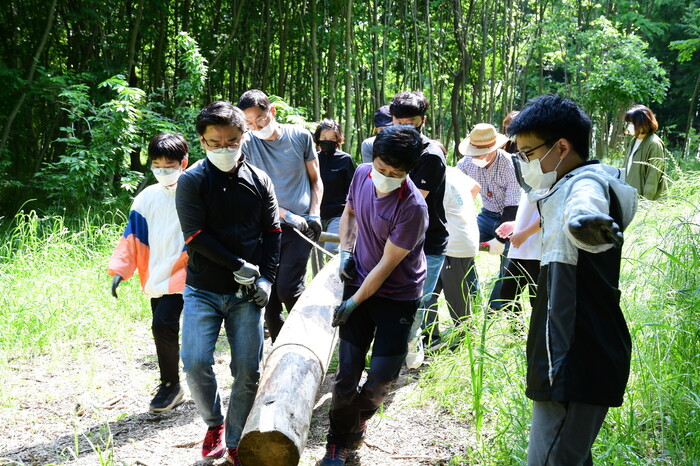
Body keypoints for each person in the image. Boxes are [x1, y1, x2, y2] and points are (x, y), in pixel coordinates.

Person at [508, 94, 638, 465]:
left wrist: (585, 221)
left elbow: (584, 205)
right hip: (572, 349)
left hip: (573, 355)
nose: (525, 163)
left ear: (561, 147)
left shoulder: (585, 184)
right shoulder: (561, 186)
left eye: (529, 154)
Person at [175, 101, 281, 465]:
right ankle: (214, 423)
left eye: (231, 140)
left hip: (246, 295)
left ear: (243, 137)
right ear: (202, 142)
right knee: (194, 362)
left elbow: (272, 232)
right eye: (214, 142)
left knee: (248, 369)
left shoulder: (259, 180)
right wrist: (239, 264)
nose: (224, 147)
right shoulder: (192, 181)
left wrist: (266, 277)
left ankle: (235, 439)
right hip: (203, 288)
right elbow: (196, 235)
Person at [321, 125, 428, 465]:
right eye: (382, 167)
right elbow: (349, 213)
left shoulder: (412, 208)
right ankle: (338, 443)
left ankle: (355, 423)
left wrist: (352, 303)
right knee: (345, 377)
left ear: (408, 172)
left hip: (397, 294)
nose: (384, 176)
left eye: (395, 173)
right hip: (358, 280)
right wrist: (346, 252)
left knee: (382, 380)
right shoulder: (362, 174)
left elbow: (385, 266)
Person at [108, 133, 189, 413]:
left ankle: (172, 384)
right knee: (164, 327)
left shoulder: (196, 190)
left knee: (164, 324)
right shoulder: (145, 198)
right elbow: (132, 237)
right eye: (156, 165)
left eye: (169, 165)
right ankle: (172, 384)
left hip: (189, 274)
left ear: (183, 163)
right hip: (157, 276)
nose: (162, 171)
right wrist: (120, 270)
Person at [238, 89, 323, 342]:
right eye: (250, 123)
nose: (257, 126)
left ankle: (308, 337)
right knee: (269, 295)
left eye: (261, 119)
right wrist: (287, 215)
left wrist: (314, 215)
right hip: (265, 226)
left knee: (288, 287)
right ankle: (280, 346)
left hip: (300, 228)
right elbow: (255, 194)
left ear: (272, 111)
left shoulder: (300, 137)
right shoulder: (247, 144)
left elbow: (315, 179)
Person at [386, 91, 447, 367]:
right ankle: (393, 355)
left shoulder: (430, 154)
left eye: (410, 122)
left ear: (422, 121)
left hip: (427, 242)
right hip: (392, 237)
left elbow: (410, 203)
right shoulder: (389, 147)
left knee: (416, 304)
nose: (403, 127)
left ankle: (409, 355)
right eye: (398, 122)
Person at [456, 123, 520, 311]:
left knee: (509, 261)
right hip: (486, 215)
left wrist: (500, 240)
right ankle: (473, 296)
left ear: (495, 148)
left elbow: (513, 206)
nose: (476, 157)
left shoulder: (510, 164)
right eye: (473, 152)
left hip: (511, 218)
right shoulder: (466, 163)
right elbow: (453, 190)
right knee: (460, 246)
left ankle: (495, 306)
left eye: (481, 153)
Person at [422, 166, 480, 327]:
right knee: (427, 293)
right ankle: (430, 338)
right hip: (459, 237)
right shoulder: (453, 170)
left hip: (454, 244)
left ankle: (464, 336)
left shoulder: (431, 177)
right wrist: (463, 210)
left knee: (455, 298)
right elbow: (476, 187)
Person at [313, 119, 355, 257]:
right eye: (324, 138)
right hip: (315, 214)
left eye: (332, 138)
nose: (328, 141)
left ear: (338, 140)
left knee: (332, 249)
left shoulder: (345, 159)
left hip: (337, 214)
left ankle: (339, 277)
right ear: (318, 138)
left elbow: (352, 189)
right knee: (316, 255)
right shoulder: (312, 159)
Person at [623, 104, 667, 200]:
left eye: (631, 123)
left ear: (642, 124)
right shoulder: (634, 141)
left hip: (647, 204)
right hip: (631, 198)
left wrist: (646, 202)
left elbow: (653, 177)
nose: (629, 127)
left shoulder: (654, 144)